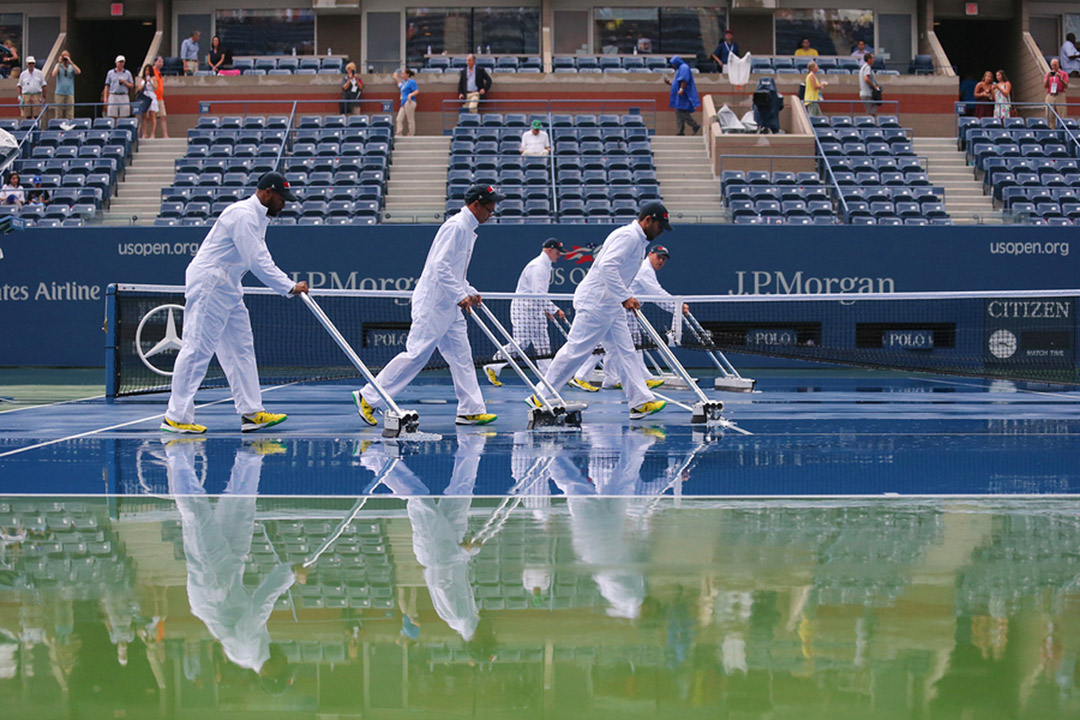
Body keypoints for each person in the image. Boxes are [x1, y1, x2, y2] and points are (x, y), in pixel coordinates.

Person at [161, 172, 308, 434]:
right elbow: (257, 260)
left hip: (229, 285)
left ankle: (251, 413)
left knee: (241, 348)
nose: (284, 204)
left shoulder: (259, 217)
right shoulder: (243, 215)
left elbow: (253, 258)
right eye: (281, 198)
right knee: (197, 348)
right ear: (266, 193)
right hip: (211, 284)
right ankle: (176, 417)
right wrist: (288, 286)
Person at [351, 184, 501, 427]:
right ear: (476, 205)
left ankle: (470, 410)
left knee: (462, 356)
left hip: (449, 305)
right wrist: (459, 295)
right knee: (417, 354)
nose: (492, 212)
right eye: (490, 207)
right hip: (434, 303)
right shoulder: (456, 227)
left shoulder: (467, 228)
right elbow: (439, 266)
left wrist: (469, 292)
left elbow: (454, 272)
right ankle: (368, 397)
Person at [166, 439, 305, 683]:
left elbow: (260, 604)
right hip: (229, 580)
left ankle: (177, 453)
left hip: (211, 585)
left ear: (271, 672)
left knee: (196, 516)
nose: (286, 660)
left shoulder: (248, 649)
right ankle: (251, 455)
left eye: (285, 667)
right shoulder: (257, 651)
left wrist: (291, 573)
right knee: (241, 511)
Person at [533, 203, 672, 421]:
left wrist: (622, 297)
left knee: (625, 351)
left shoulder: (638, 241)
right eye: (659, 225)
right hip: (597, 302)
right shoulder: (628, 237)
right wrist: (626, 296)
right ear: (647, 220)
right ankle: (540, 395)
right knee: (576, 350)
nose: (661, 230)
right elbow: (607, 266)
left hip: (611, 304)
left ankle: (640, 402)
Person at [573, 244, 687, 391]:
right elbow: (657, 294)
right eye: (659, 257)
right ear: (650, 254)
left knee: (627, 344)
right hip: (621, 309)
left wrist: (675, 306)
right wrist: (677, 306)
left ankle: (612, 378)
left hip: (627, 311)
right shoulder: (645, 270)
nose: (661, 261)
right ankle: (581, 376)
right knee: (607, 345)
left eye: (664, 259)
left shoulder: (647, 269)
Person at [483, 238, 568, 387]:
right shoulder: (538, 267)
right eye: (557, 252)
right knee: (521, 343)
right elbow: (538, 294)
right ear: (549, 250)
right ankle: (494, 365)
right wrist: (554, 310)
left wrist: (545, 309)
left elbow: (539, 296)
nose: (559, 255)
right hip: (524, 309)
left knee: (543, 345)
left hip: (536, 309)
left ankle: (548, 380)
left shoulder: (546, 265)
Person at [666, 55, 701, 136]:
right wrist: (669, 83)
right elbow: (677, 82)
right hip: (679, 95)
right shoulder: (679, 69)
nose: (673, 65)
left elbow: (684, 80)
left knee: (681, 112)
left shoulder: (684, 67)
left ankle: (695, 125)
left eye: (673, 64)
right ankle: (680, 131)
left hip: (684, 94)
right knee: (678, 111)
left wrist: (681, 89)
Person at [50, 51, 80, 121]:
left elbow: (78, 72)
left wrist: (71, 62)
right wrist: (59, 63)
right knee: (59, 113)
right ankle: (58, 127)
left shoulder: (71, 67)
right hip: (59, 92)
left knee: (69, 113)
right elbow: (53, 74)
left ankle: (69, 126)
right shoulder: (58, 65)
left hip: (69, 92)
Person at [1044, 58, 1070, 129]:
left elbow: (1066, 85)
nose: (1054, 67)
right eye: (1052, 65)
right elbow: (1045, 86)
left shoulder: (1064, 74)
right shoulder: (1048, 74)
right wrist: (1049, 77)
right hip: (1050, 95)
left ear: (1058, 65)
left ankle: (1063, 131)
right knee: (1049, 115)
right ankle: (1051, 132)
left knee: (1062, 115)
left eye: (1055, 65)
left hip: (1060, 94)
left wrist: (1060, 79)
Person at [394, 68, 418, 137]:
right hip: (403, 102)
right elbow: (400, 85)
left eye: (403, 73)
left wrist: (410, 95)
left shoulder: (411, 82)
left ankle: (411, 133)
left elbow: (416, 91)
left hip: (409, 102)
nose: (401, 75)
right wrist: (396, 78)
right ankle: (399, 133)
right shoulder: (405, 83)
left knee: (410, 119)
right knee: (399, 119)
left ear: (407, 74)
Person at [137, 64, 158, 139]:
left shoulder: (154, 78)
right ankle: (144, 133)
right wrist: (145, 82)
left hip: (151, 96)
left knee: (152, 115)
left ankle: (152, 133)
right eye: (146, 70)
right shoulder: (141, 79)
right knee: (143, 116)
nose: (147, 72)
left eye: (148, 70)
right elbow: (139, 89)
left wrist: (151, 82)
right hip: (144, 96)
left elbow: (156, 88)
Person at [152, 56, 169, 138]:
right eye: (159, 61)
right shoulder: (152, 71)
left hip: (160, 98)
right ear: (155, 62)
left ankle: (165, 135)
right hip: (153, 99)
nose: (161, 63)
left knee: (163, 116)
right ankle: (150, 134)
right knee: (149, 118)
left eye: (162, 61)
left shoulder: (160, 73)